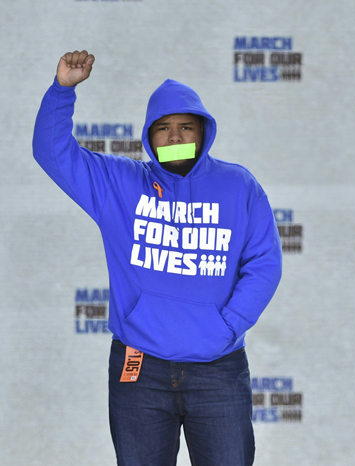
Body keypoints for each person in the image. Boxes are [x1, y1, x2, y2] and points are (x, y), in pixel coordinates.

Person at [33, 50, 283, 465]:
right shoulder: (121, 184)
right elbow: (52, 153)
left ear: (204, 131)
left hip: (217, 369)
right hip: (140, 369)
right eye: (163, 128)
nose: (174, 137)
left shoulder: (238, 186)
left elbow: (265, 264)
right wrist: (63, 90)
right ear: (149, 135)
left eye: (186, 127)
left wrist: (226, 327)